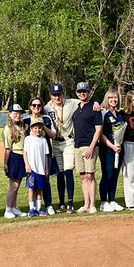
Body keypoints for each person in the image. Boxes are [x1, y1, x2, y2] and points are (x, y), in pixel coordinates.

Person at [70, 82, 104, 214]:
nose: (82, 93)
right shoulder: (76, 107)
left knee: (90, 175)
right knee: (83, 176)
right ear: (76, 93)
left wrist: (91, 147)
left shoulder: (95, 108)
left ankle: (93, 205)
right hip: (77, 146)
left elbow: (98, 130)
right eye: (80, 91)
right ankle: (86, 204)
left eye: (84, 91)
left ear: (89, 92)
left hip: (89, 145)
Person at [44, 83, 77, 212]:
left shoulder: (71, 103)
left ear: (63, 94)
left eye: (59, 94)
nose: (57, 97)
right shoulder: (47, 108)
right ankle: (61, 203)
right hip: (55, 143)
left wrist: (96, 103)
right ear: (51, 95)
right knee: (60, 172)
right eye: (54, 95)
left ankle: (71, 203)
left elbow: (85, 102)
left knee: (68, 171)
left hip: (69, 141)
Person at [22, 97, 56, 211]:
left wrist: (42, 125)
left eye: (39, 105)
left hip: (44, 154)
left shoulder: (46, 118)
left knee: (45, 181)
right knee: (32, 185)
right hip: (31, 157)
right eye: (34, 105)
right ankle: (33, 208)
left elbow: (53, 135)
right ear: (30, 107)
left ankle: (48, 205)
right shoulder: (26, 119)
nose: (36, 107)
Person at [98, 90, 125, 212]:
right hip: (107, 149)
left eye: (116, 97)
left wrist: (118, 145)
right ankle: (103, 201)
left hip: (118, 149)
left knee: (115, 175)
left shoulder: (119, 114)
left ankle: (112, 199)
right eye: (111, 98)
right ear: (107, 99)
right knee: (107, 175)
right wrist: (112, 146)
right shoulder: (104, 113)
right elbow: (101, 133)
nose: (114, 100)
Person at [2, 104, 29, 218]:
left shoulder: (21, 126)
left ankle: (14, 207)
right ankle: (8, 209)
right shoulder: (8, 128)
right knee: (14, 186)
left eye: (19, 113)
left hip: (21, 157)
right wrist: (5, 164)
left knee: (17, 186)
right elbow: (7, 148)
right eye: (15, 113)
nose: (18, 115)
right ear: (10, 114)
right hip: (14, 157)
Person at [22, 120, 52, 216]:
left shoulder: (43, 140)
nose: (37, 130)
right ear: (31, 128)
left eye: (39, 128)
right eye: (35, 128)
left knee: (39, 189)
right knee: (31, 189)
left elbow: (46, 156)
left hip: (41, 169)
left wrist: (46, 168)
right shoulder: (28, 139)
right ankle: (31, 209)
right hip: (32, 169)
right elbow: (25, 153)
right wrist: (27, 165)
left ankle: (39, 208)